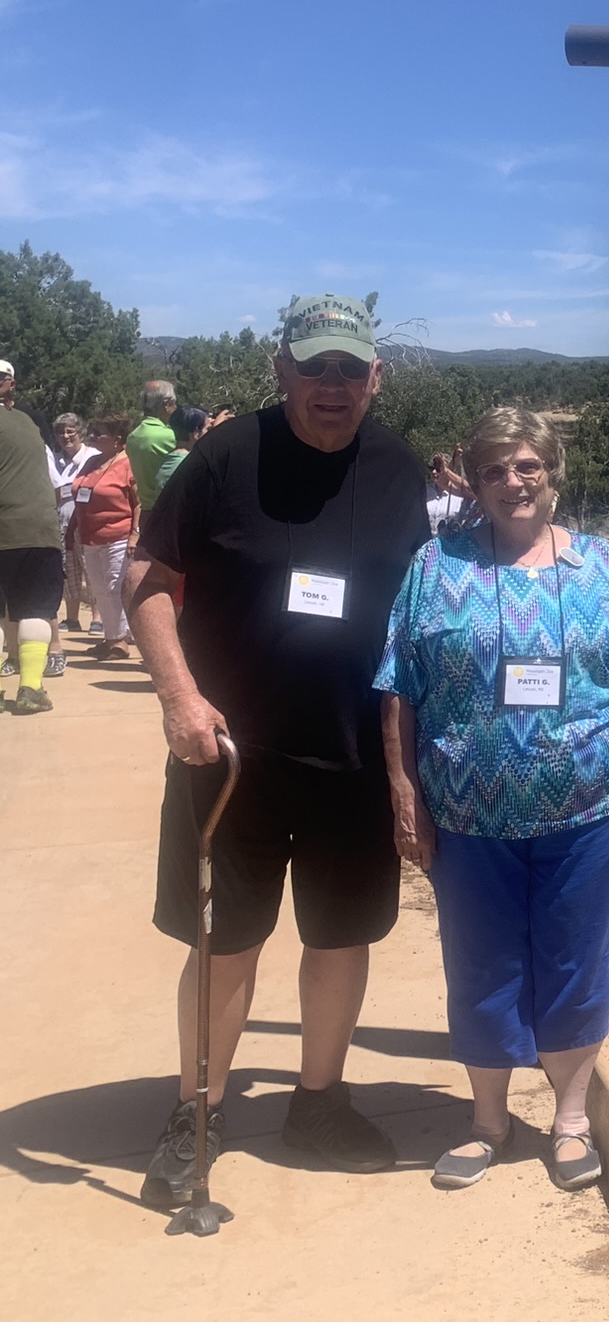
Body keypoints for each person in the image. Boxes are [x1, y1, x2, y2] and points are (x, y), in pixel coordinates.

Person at [125, 294, 429, 1211]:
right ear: (282, 370)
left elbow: (419, 611)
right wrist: (179, 698)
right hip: (231, 757)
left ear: (376, 377)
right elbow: (148, 575)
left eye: (350, 369)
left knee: (341, 937)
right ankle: (198, 1112)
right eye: (315, 367)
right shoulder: (225, 456)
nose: (333, 385)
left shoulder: (399, 468)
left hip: (352, 755)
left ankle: (318, 1103)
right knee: (226, 941)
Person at [376, 406, 609, 1192]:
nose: (514, 481)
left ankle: (569, 1121)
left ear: (551, 471)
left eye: (527, 465)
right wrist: (405, 791)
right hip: (470, 813)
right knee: (482, 963)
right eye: (496, 469)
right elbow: (399, 688)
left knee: (576, 960)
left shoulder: (602, 566)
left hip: (588, 811)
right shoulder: (437, 568)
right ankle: (488, 1124)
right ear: (475, 484)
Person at [0, 395, 64, 714]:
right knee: (35, 609)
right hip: (40, 530)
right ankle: (31, 688)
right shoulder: (27, 421)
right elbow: (55, 483)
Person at [71, 417, 138, 662]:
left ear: (117, 439)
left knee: (114, 589)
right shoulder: (92, 461)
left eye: (99, 433)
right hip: (90, 537)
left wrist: (135, 534)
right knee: (98, 591)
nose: (93, 437)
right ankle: (110, 638)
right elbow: (79, 494)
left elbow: (139, 502)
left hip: (118, 536)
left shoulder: (129, 463)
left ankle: (120, 640)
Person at [50, 413, 93, 648]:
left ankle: (98, 619)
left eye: (70, 431)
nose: (65, 436)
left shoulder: (92, 457)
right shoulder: (56, 461)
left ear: (80, 432)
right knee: (69, 571)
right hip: (62, 523)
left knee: (91, 570)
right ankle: (72, 618)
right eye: (60, 432)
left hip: (87, 523)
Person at [127, 380, 179, 531]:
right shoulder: (169, 436)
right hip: (169, 514)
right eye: (174, 403)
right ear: (166, 404)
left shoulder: (133, 436)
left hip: (147, 514)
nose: (176, 407)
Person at [154, 406, 210, 500]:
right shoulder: (190, 465)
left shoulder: (168, 459)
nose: (210, 433)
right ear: (196, 433)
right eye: (207, 429)